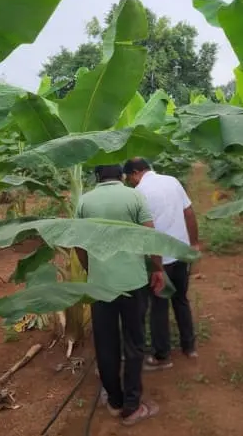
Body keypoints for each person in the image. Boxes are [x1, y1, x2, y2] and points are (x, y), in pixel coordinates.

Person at [75, 164, 165, 426]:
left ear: (97, 177)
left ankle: (114, 401)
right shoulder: (134, 196)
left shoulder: (85, 201)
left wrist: (92, 270)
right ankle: (132, 406)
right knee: (134, 343)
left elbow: (79, 244)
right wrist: (157, 268)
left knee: (105, 344)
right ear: (122, 176)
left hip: (100, 285)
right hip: (133, 282)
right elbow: (150, 237)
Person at [122, 157, 201, 370]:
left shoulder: (138, 193)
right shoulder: (172, 181)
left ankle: (162, 355)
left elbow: (144, 230)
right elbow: (189, 212)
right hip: (182, 252)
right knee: (181, 300)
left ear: (135, 172)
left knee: (159, 306)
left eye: (129, 178)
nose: (130, 182)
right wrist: (194, 243)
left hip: (161, 259)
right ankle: (189, 347)